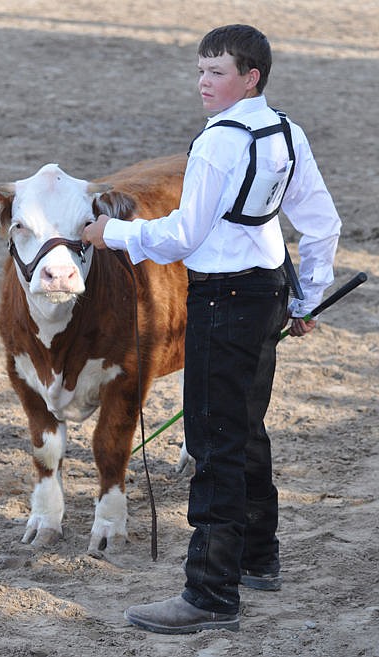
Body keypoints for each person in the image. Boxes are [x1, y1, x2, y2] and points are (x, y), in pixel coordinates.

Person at [82, 24, 341, 634]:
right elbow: (321, 222)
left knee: (215, 438)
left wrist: (112, 235)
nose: (204, 82)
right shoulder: (285, 129)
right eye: (201, 69)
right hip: (268, 287)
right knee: (245, 428)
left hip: (225, 297)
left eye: (217, 71)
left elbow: (182, 236)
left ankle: (210, 593)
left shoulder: (220, 142)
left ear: (251, 77)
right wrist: (305, 297)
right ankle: (258, 557)